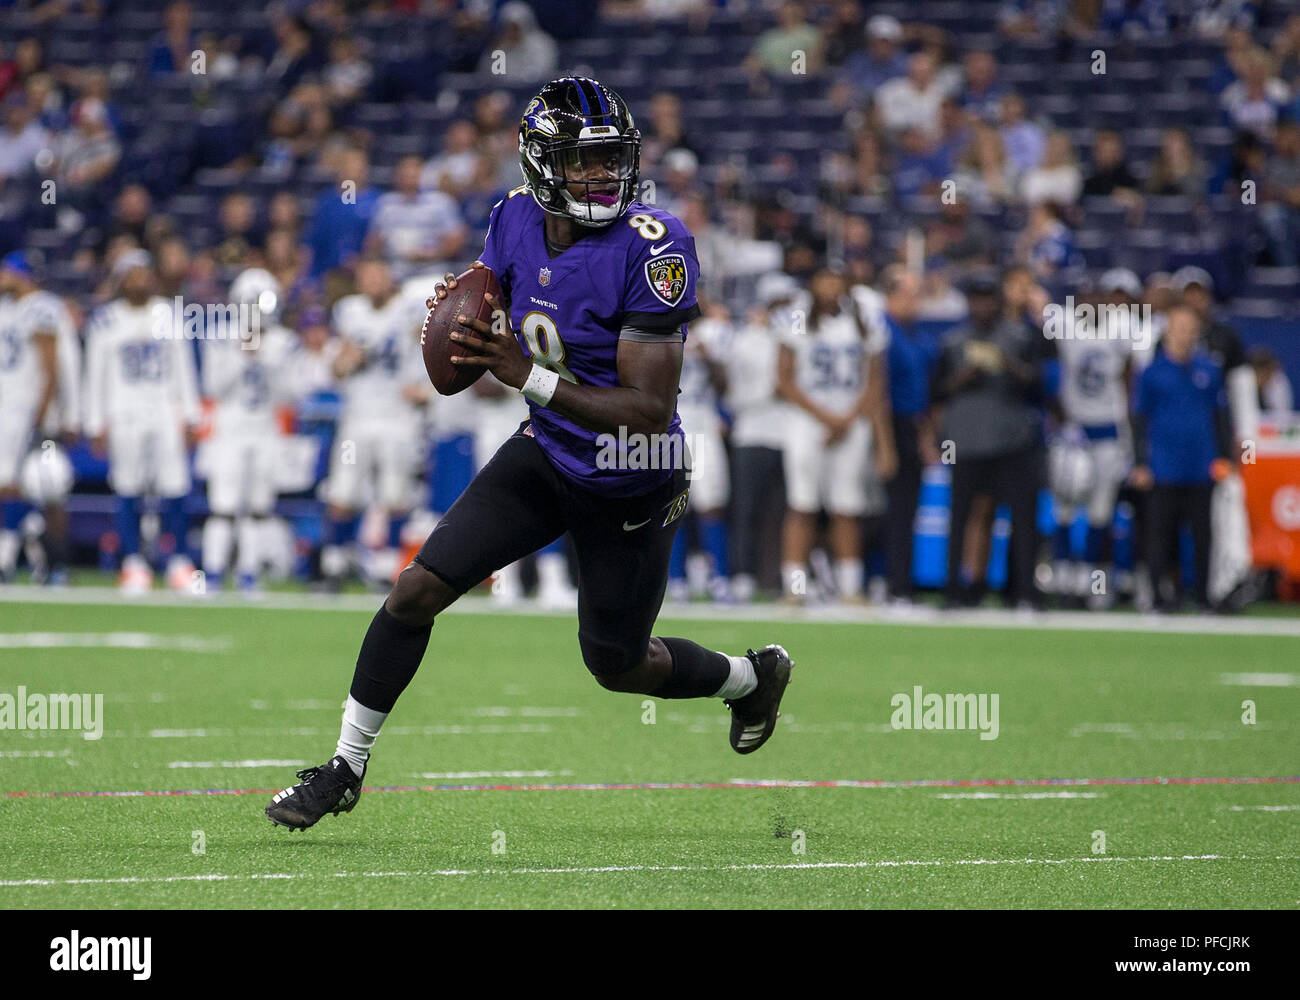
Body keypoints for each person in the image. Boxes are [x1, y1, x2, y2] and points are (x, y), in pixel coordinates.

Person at [266, 77, 792, 830]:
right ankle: (345, 767)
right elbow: (482, 336)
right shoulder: (512, 218)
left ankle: (750, 678)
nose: (604, 175)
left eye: (612, 159)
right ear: (543, 165)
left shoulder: (656, 246)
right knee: (415, 591)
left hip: (631, 476)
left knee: (616, 664)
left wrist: (525, 374)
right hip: (549, 454)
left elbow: (647, 413)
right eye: (584, 162)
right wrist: (464, 324)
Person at [83, 251, 200, 592]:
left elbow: (183, 368)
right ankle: (133, 562)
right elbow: (96, 374)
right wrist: (95, 422)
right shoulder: (106, 319)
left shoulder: (169, 313)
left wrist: (190, 415)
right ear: (121, 279)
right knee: (127, 486)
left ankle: (179, 561)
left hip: (164, 409)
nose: (140, 280)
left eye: (143, 273)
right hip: (125, 412)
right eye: (132, 274)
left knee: (175, 484)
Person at [777, 267, 894, 604]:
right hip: (807, 421)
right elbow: (784, 378)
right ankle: (794, 589)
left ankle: (850, 587)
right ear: (813, 282)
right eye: (824, 278)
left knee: (847, 506)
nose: (830, 286)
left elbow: (875, 380)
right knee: (802, 504)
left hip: (850, 419)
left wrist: (845, 420)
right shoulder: (796, 318)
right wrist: (826, 419)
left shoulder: (863, 319)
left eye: (836, 279)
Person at [932, 271, 1046, 608]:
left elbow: (1037, 384)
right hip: (965, 442)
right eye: (976, 299)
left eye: (988, 299)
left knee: (1024, 518)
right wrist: (963, 377)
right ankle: (955, 589)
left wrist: (1006, 364)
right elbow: (937, 390)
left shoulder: (1020, 336)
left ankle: (1024, 590)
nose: (982, 306)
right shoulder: (953, 341)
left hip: (1013, 441)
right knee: (961, 516)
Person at [319, 257, 428, 589]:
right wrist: (345, 361)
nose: (372, 283)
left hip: (398, 417)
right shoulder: (351, 313)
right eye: (366, 277)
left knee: (395, 494)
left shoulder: (409, 308)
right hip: (359, 416)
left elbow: (431, 340)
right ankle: (333, 566)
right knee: (342, 492)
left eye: (378, 275)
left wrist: (427, 388)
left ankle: (386, 569)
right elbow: (334, 370)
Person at [1131, 306, 1233, 611]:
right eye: (1179, 327)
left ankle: (1204, 595)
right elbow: (1138, 420)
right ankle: (1159, 596)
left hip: (1201, 466)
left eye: (1190, 328)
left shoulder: (1209, 370)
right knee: (1160, 536)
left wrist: (1224, 457)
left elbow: (1222, 417)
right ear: (1168, 331)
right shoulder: (1151, 373)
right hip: (1163, 467)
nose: (1185, 334)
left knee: (1204, 536)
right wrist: (1140, 463)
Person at [0, 252, 67, 581]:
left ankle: (20, 558)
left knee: (33, 486)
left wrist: (42, 414)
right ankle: (37, 551)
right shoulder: (7, 308)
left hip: (23, 408)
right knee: (12, 486)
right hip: (6, 406)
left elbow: (50, 366)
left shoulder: (41, 306)